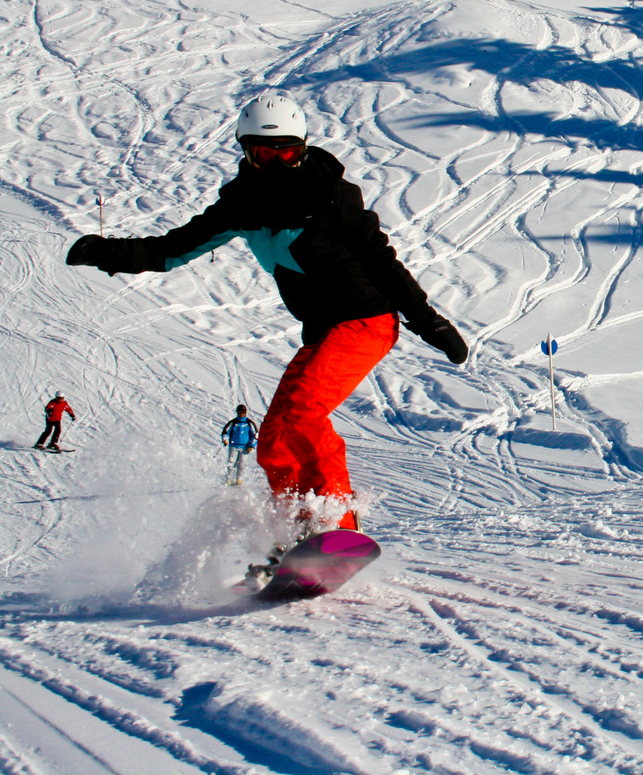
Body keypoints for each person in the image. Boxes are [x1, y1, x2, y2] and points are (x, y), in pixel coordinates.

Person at [66, 93, 467, 539]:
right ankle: (298, 529)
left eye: (288, 151)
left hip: (364, 319)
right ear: (246, 150)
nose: (277, 161)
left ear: (302, 148)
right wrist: (111, 252)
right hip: (322, 330)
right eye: (264, 151)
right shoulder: (241, 206)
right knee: (275, 437)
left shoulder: (330, 196)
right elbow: (171, 249)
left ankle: (335, 523)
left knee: (302, 413)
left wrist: (429, 321)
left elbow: (381, 259)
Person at [221, 404, 258, 486]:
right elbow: (225, 432)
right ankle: (229, 479)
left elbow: (255, 435)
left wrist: (251, 446)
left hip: (245, 447)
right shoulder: (233, 423)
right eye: (240, 412)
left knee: (242, 464)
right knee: (231, 463)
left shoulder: (249, 423)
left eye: (243, 412)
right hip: (233, 446)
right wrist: (225, 440)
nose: (241, 414)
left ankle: (239, 480)